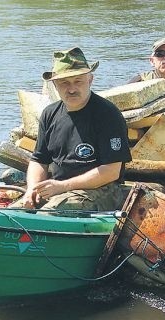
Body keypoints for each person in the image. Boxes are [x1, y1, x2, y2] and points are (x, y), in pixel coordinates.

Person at [15, 47, 132, 212]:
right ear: (54, 85)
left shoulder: (107, 114)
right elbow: (39, 160)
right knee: (13, 210)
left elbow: (111, 171)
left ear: (90, 80)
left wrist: (63, 186)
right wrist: (32, 190)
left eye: (78, 81)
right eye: (64, 83)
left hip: (101, 189)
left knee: (52, 213)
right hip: (56, 187)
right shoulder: (50, 113)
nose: (71, 89)